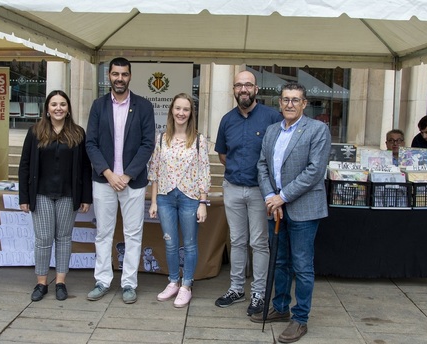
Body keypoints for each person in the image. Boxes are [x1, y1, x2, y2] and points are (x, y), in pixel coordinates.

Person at [255, 83, 331, 343]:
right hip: (275, 207)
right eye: (286, 99)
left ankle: (300, 319)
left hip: (303, 208)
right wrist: (269, 197)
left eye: (295, 100)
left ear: (304, 103)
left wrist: (282, 197)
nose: (290, 104)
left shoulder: (318, 130)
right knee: (279, 261)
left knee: (302, 265)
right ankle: (280, 307)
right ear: (279, 103)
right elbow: (262, 165)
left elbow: (314, 171)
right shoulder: (272, 130)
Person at [85, 57, 155, 304]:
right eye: (115, 74)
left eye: (124, 74)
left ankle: (128, 284)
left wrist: (126, 175)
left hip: (132, 182)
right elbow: (90, 143)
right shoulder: (98, 106)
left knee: (133, 234)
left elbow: (148, 144)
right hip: (104, 181)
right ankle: (102, 281)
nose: (119, 78)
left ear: (130, 76)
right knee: (103, 233)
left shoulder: (144, 107)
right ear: (109, 77)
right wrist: (108, 173)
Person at [214, 70, 283, 316]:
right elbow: (223, 154)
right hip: (232, 187)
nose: (243, 89)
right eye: (239, 85)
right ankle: (236, 289)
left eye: (248, 85)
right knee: (237, 241)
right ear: (234, 89)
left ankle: (259, 293)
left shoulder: (272, 117)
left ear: (256, 89)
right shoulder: (227, 120)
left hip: (260, 191)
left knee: (259, 243)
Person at [18, 90, 93, 302]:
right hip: (41, 194)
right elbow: (24, 166)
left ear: (68, 109)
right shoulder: (35, 132)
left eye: (62, 104)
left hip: (68, 195)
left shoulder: (78, 133)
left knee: (64, 239)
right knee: (43, 239)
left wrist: (86, 197)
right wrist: (24, 197)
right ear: (47, 109)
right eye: (54, 104)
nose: (58, 108)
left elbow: (85, 168)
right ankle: (41, 283)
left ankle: (60, 282)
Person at [148, 93, 211, 308]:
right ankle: (173, 281)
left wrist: (203, 202)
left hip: (190, 198)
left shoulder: (199, 140)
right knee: (170, 242)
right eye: (178, 108)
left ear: (191, 113)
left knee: (190, 244)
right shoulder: (161, 138)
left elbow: (204, 171)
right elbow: (155, 171)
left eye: (186, 109)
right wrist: (154, 201)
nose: (181, 113)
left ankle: (187, 285)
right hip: (165, 197)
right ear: (171, 111)